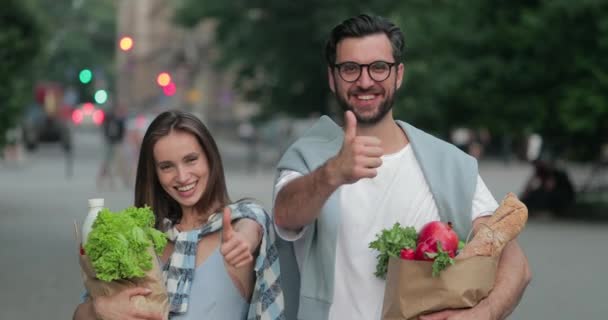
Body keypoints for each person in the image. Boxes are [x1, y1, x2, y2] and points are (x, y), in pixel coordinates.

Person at [272, 14, 531, 320]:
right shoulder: (308, 159)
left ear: (399, 75)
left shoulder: (449, 164)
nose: (365, 81)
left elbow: (515, 264)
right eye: (350, 69)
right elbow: (285, 214)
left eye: (379, 67)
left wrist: (482, 314)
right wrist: (332, 173)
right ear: (332, 78)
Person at [74, 110, 284, 319]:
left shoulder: (241, 223)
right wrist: (99, 308)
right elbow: (81, 314)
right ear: (154, 174)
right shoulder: (139, 236)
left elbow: (252, 223)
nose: (182, 176)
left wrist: (244, 240)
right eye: (167, 167)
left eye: (191, 160)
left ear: (210, 158)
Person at [96, 105, 129, 189]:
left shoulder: (120, 121)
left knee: (120, 163)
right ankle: (107, 181)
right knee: (108, 163)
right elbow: (107, 131)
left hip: (117, 144)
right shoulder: (111, 119)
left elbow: (122, 133)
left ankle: (124, 181)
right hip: (111, 143)